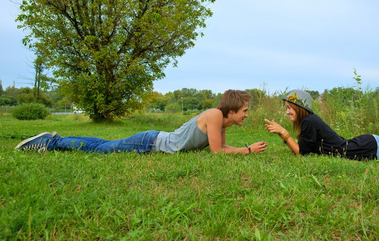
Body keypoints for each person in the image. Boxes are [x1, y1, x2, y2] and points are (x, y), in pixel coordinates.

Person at [16, 90, 268, 155]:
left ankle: (55, 139)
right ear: (232, 109)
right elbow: (216, 152)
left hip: (152, 141)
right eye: (245, 110)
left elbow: (221, 149)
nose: (246, 114)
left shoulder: (221, 124)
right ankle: (51, 142)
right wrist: (247, 150)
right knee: (101, 149)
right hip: (150, 143)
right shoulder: (214, 114)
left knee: (105, 144)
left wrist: (246, 149)